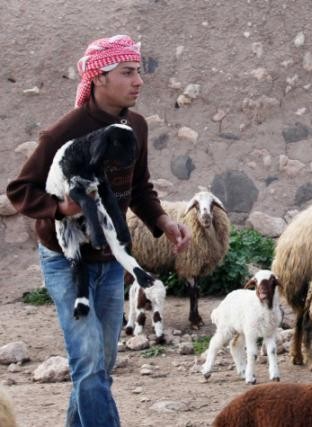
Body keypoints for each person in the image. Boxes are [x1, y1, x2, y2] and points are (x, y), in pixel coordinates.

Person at [6, 34, 191, 427]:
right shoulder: (63, 132)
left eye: (139, 71)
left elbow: (139, 185)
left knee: (101, 366)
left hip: (110, 262)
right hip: (65, 259)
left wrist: (164, 221)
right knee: (88, 362)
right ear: (99, 79)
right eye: (127, 72)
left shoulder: (136, 126)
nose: (138, 80)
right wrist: (58, 207)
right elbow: (20, 189)